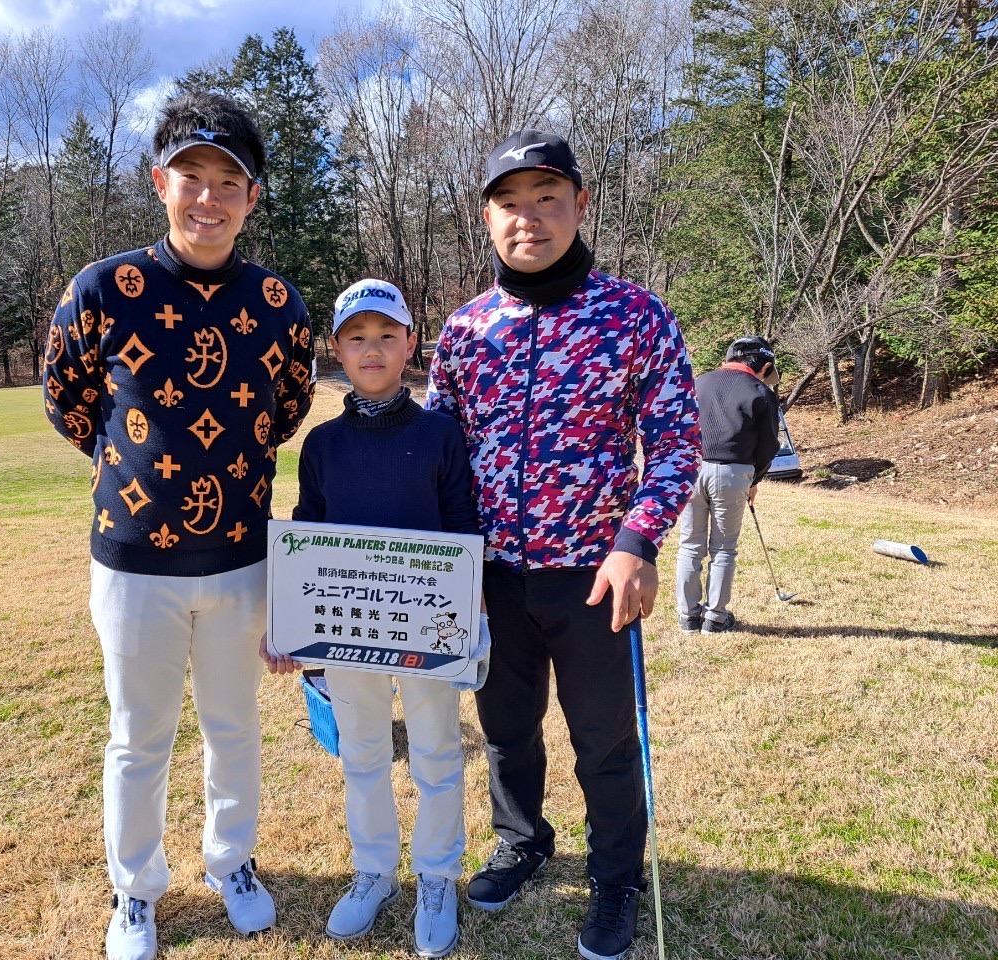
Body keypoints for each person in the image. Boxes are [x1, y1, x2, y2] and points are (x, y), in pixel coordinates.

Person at [41, 90, 315, 960]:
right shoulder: (102, 290)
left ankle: (232, 861)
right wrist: (135, 471)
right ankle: (135, 889)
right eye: (191, 177)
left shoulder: (279, 302)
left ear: (252, 197)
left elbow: (286, 410)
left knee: (234, 728)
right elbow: (68, 400)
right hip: (133, 568)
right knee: (139, 737)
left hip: (239, 562)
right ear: (160, 183)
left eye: (228, 181)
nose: (208, 198)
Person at [426, 129, 701, 960]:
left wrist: (637, 543)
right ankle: (522, 839)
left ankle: (616, 876)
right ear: (486, 218)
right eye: (509, 203)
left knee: (603, 740)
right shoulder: (465, 330)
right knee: (506, 729)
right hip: (491, 578)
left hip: (594, 575)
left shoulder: (636, 315)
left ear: (579, 205)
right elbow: (440, 454)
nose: (528, 218)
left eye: (547, 198)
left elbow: (677, 443)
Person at [260, 278, 488, 958]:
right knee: (362, 754)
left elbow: (461, 522)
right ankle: (374, 871)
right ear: (336, 349)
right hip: (348, 630)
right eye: (357, 337)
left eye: (387, 335)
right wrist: (288, 619)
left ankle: (437, 876)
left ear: (410, 345)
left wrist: (469, 604)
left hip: (425, 629)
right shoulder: (322, 445)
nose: (373, 349)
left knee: (437, 755)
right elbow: (307, 531)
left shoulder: (440, 435)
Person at [676, 336, 781, 634]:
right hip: (733, 473)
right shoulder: (761, 392)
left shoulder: (699, 382)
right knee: (723, 548)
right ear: (765, 367)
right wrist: (755, 480)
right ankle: (715, 618)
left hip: (692, 470)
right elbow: (768, 446)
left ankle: (688, 617)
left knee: (690, 545)